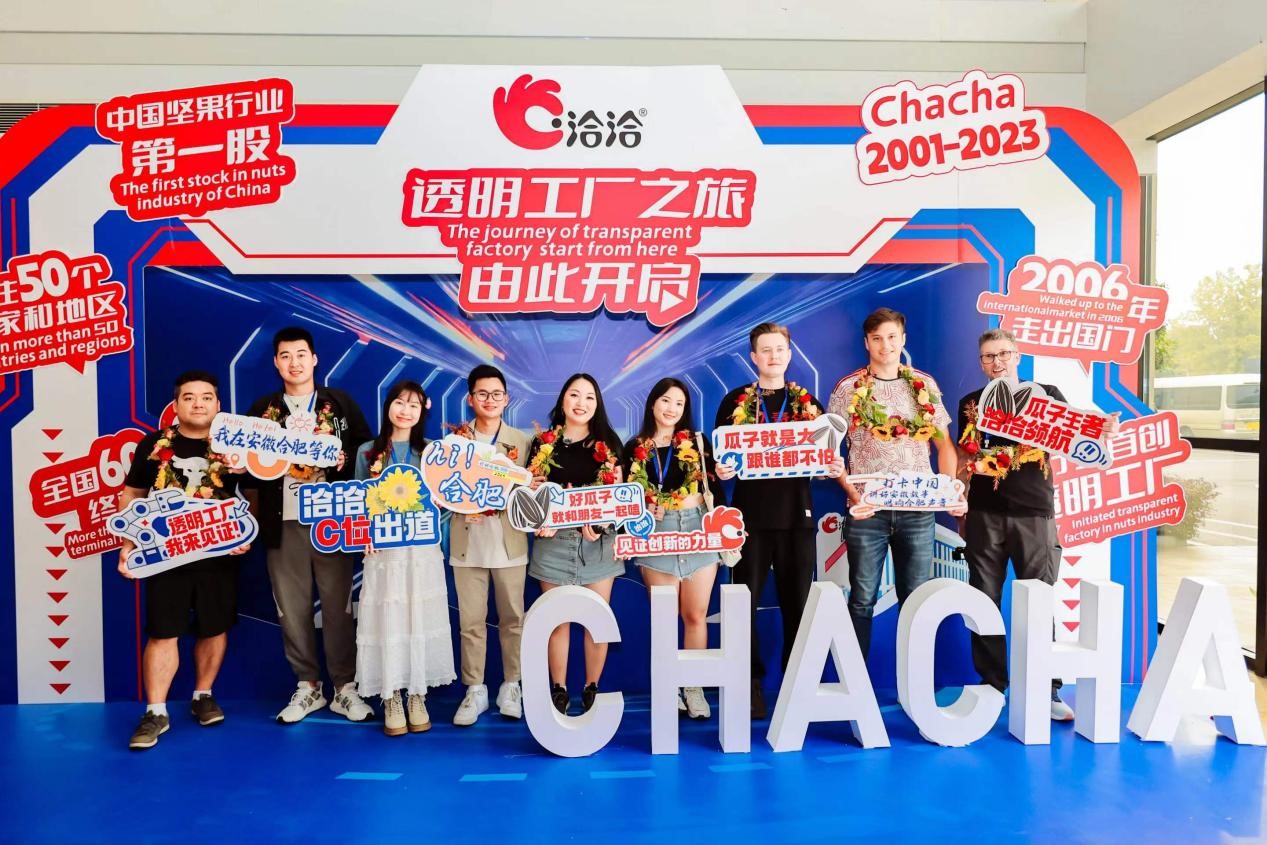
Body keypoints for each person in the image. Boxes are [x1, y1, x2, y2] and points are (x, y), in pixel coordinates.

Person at [957, 328, 1113, 721]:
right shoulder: (970, 403)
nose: (997, 362)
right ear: (981, 363)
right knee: (983, 601)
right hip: (984, 513)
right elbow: (966, 457)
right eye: (989, 356)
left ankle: (1048, 690)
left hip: (1035, 511)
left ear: (1017, 356)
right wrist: (960, 506)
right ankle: (992, 685)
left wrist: (1101, 429)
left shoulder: (1046, 395)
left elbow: (1078, 432)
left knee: (1040, 601)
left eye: (1003, 354)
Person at [713, 322, 844, 719]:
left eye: (779, 349)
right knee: (743, 604)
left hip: (796, 517)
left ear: (789, 354)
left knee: (798, 604)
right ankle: (749, 682)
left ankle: (796, 683)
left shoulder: (808, 403)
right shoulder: (734, 400)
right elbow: (722, 458)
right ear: (754, 357)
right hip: (749, 519)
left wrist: (831, 467)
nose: (773, 356)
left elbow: (822, 462)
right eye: (765, 350)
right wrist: (722, 469)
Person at [246, 327, 373, 724]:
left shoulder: (340, 403)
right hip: (282, 521)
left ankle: (345, 687)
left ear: (314, 359)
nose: (294, 363)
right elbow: (248, 468)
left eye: (301, 354)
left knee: (338, 607)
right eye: (285, 356)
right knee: (291, 607)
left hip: (331, 520)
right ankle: (308, 686)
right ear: (276, 362)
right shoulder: (263, 409)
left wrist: (344, 459)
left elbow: (368, 452)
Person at [120, 371, 251, 750]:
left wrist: (245, 533)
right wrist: (128, 544)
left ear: (218, 404)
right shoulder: (154, 444)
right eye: (189, 397)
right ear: (176, 405)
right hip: (166, 555)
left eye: (206, 397)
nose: (198, 403)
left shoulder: (234, 447)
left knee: (214, 626)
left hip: (218, 553)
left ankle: (202, 695)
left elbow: (254, 493)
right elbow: (131, 494)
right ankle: (156, 712)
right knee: (163, 631)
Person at [828, 307, 964, 660]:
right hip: (867, 512)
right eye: (877, 339)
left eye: (891, 337)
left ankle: (914, 677)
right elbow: (829, 453)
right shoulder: (848, 388)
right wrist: (852, 494)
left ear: (903, 339)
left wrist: (949, 490)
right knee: (861, 598)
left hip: (917, 510)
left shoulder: (924, 384)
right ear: (866, 343)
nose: (885, 345)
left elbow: (944, 446)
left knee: (916, 597)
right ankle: (854, 679)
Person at [353, 380, 456, 736]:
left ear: (422, 411)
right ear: (388, 406)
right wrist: (363, 533)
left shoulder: (430, 452)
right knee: (389, 619)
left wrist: (438, 515)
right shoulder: (368, 451)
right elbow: (357, 500)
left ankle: (417, 693)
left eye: (413, 405)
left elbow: (445, 504)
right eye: (399, 402)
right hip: (383, 553)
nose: (405, 411)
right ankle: (392, 695)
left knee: (418, 617)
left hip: (421, 552)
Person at [622, 378, 724, 720]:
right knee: (665, 617)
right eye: (666, 400)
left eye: (679, 404)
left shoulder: (697, 442)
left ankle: (693, 687)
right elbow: (624, 497)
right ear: (653, 403)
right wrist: (642, 509)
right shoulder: (634, 447)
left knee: (695, 614)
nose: (671, 409)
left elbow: (715, 488)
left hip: (697, 527)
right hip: (657, 532)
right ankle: (668, 687)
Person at [526, 373, 624, 716]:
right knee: (558, 620)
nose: (581, 403)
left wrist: (599, 523)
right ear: (563, 400)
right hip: (553, 544)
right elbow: (531, 494)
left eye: (589, 397)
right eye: (574, 395)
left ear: (597, 404)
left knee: (597, 620)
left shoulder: (609, 444)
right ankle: (559, 689)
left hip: (597, 544)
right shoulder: (542, 443)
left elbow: (619, 498)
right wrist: (540, 518)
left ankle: (591, 687)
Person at [448, 365, 532, 726]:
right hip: (467, 544)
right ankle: (475, 689)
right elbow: (440, 492)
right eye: (482, 394)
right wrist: (460, 504)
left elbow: (531, 492)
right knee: (471, 622)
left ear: (506, 399)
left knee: (513, 619)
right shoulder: (453, 443)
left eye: (497, 394)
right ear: (471, 399)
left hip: (509, 543)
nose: (490, 400)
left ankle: (512, 685)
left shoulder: (522, 442)